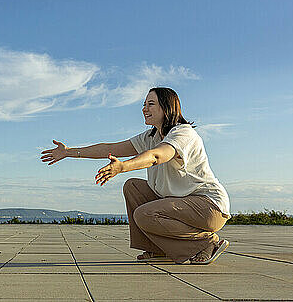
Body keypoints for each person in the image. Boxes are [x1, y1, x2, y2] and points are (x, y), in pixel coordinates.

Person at [41, 87, 230, 264]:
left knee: (145, 214)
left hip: (208, 207)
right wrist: (68, 152)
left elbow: (157, 155)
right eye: (144, 104)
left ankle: (207, 242)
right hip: (180, 204)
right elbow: (109, 148)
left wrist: (123, 167)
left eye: (150, 104)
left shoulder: (183, 133)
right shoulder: (150, 137)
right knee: (133, 187)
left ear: (167, 107)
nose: (144, 109)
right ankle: (157, 249)